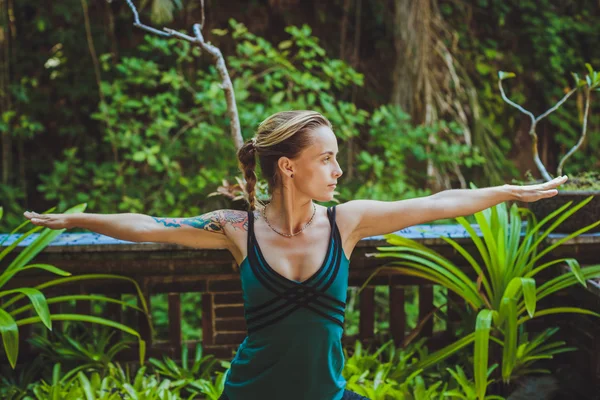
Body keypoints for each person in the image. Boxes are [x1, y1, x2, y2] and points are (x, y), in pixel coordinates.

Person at [24, 110, 568, 400]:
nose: (338, 171)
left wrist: (506, 192)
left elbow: (434, 204)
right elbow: (147, 226)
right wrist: (74, 218)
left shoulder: (346, 222)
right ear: (288, 166)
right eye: (327, 158)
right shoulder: (237, 228)